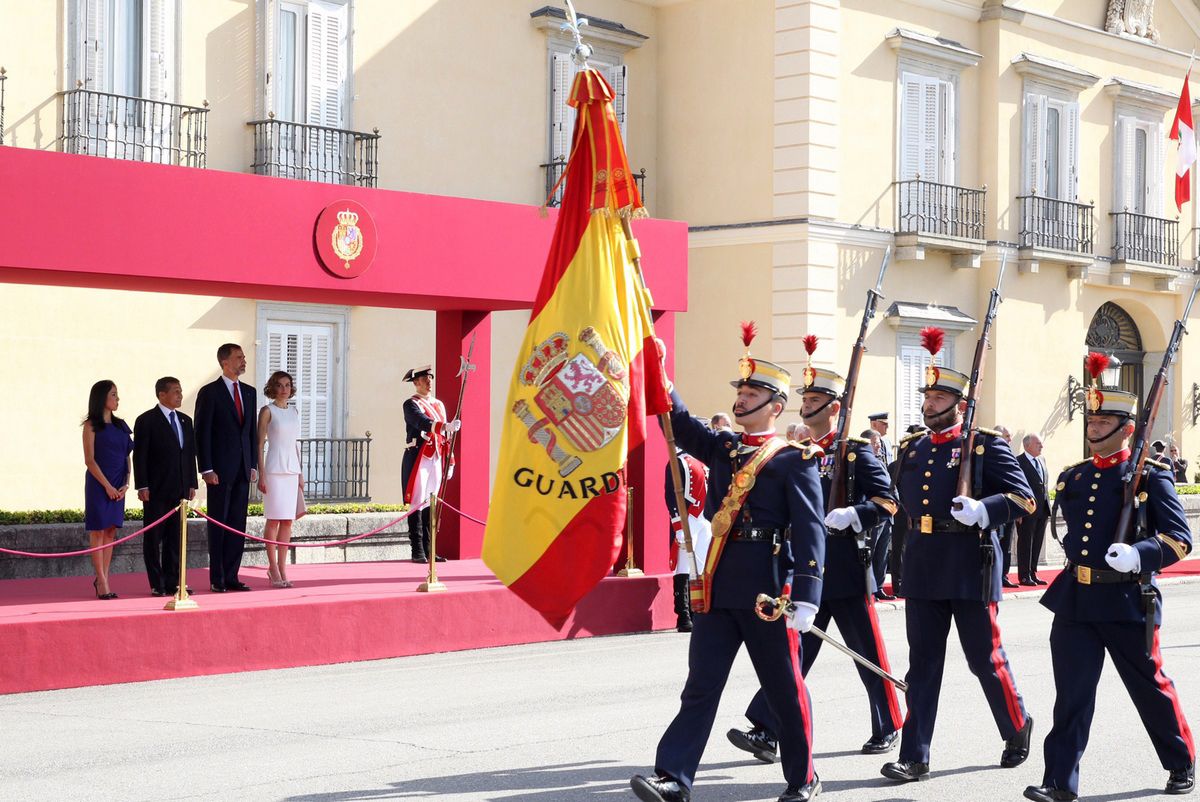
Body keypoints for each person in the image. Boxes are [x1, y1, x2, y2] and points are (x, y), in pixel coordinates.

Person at [630, 335, 826, 802]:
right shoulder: (723, 447)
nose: (741, 398)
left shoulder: (794, 461)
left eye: (753, 393)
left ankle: (803, 778)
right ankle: (674, 777)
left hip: (766, 592)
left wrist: (808, 594)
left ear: (776, 406)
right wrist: (662, 372)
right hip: (717, 585)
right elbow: (677, 422)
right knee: (700, 685)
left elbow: (810, 528)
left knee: (783, 687)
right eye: (740, 391)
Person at [1024, 363, 1195, 802]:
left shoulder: (1151, 475)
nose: (1094, 427)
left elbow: (1179, 540)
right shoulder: (1075, 476)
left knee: (1148, 687)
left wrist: (1140, 554)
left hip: (1126, 600)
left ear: (1127, 429)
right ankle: (1060, 782)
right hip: (1077, 598)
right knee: (1072, 697)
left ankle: (1181, 761)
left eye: (1103, 421)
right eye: (1092, 420)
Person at [726, 358, 902, 763]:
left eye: (817, 399)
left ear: (835, 408)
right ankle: (768, 729)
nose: (807, 405)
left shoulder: (855, 453)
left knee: (868, 652)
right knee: (792, 656)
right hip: (806, 573)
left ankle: (890, 722)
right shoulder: (795, 453)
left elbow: (889, 502)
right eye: (806, 398)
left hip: (845, 568)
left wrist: (855, 514)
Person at [880, 329, 1036, 783]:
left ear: (960, 404)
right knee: (923, 664)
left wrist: (984, 509)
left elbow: (1024, 499)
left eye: (938, 397)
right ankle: (915, 755)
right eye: (927, 396)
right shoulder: (913, 447)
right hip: (925, 562)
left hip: (970, 564)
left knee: (983, 660)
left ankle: (1017, 724)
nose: (928, 404)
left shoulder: (985, 444)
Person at [195, 343, 258, 593]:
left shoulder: (250, 392)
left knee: (237, 525)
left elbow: (250, 433)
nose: (243, 361)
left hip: (242, 469)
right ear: (225, 362)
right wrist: (206, 468)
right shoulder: (209, 392)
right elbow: (202, 432)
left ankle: (232, 575)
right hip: (219, 472)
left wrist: (252, 464)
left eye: (244, 357)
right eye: (238, 357)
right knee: (219, 524)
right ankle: (217, 578)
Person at [133, 377, 198, 597]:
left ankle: (174, 581)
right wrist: (142, 485)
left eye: (181, 391)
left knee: (176, 538)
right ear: (162, 395)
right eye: (176, 391)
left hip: (179, 489)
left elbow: (189, 455)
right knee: (154, 538)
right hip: (156, 489)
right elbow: (140, 456)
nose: (180, 395)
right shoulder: (147, 420)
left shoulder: (185, 421)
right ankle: (156, 582)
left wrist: (191, 483)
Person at [402, 365, 460, 563]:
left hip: (436, 457)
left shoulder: (438, 404)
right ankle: (417, 550)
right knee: (418, 500)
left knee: (431, 501)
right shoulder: (411, 404)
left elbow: (445, 437)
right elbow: (422, 422)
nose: (429, 382)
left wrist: (450, 461)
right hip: (419, 456)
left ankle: (430, 549)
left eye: (430, 378)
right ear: (416, 382)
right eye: (425, 379)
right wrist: (445, 426)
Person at [82, 380, 133, 600]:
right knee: (98, 530)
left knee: (111, 530)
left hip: (118, 484)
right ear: (102, 397)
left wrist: (126, 482)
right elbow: (90, 460)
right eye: (113, 394)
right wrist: (108, 486)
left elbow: (127, 456)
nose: (117, 398)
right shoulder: (91, 425)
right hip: (98, 483)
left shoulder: (122, 425)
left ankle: (105, 577)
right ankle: (101, 580)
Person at [256, 371, 303, 589]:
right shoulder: (267, 411)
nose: (284, 389)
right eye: (280, 385)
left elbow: (295, 443)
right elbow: (259, 444)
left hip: (292, 470)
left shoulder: (294, 411)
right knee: (273, 520)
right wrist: (261, 473)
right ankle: (272, 566)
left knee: (287, 521)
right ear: (273, 388)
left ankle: (283, 567)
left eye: (287, 385)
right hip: (274, 469)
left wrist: (301, 474)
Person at [664, 443, 711, 633]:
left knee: (700, 566)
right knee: (683, 565)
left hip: (703, 517)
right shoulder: (677, 461)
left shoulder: (701, 461)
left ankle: (696, 609)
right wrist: (678, 525)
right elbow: (671, 494)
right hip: (687, 518)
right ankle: (683, 615)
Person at [1016, 432, 1050, 586]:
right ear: (1027, 445)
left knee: (1037, 542)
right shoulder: (1019, 462)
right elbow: (1017, 487)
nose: (1041, 446)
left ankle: (1033, 572)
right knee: (1026, 543)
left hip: (1042, 509)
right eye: (1038, 444)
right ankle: (1024, 576)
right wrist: (1019, 510)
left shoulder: (1041, 460)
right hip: (1027, 509)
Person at [994, 425, 1020, 588]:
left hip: (1008, 509)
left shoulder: (1010, 456)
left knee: (1006, 545)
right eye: (1007, 436)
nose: (1010, 439)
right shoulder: (987, 455)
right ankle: (993, 574)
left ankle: (1003, 575)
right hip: (992, 509)